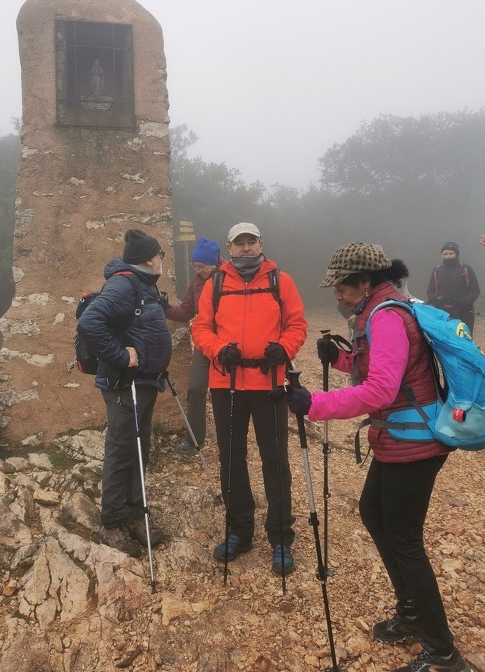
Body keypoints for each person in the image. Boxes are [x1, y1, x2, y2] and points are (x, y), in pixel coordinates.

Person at [285, 241, 470, 672]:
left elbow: (381, 391)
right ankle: (411, 613)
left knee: (405, 542)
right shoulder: (381, 310)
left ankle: (444, 653)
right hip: (399, 440)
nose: (337, 296)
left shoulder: (386, 316)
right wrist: (344, 358)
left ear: (365, 282)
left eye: (342, 288)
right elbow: (384, 370)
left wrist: (314, 403)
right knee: (373, 511)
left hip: (415, 442)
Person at [191, 223, 307, 574]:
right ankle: (239, 531)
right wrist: (217, 350)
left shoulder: (280, 281)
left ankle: (280, 537)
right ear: (229, 247)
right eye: (238, 243)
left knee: (275, 460)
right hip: (226, 383)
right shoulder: (215, 283)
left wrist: (284, 349)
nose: (245, 248)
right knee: (231, 459)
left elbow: (297, 325)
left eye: (250, 241)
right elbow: (200, 328)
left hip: (270, 382)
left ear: (261, 244)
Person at [78, 229, 172, 558]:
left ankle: (134, 512)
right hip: (124, 385)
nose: (163, 260)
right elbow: (90, 323)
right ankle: (112, 522)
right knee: (121, 450)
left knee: (138, 447)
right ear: (149, 259)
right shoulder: (124, 284)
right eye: (161, 255)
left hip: (145, 383)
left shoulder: (144, 283)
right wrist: (121, 356)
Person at [160, 237, 221, 455]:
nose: (198, 269)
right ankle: (195, 439)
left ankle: (231, 439)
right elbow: (186, 311)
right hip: (204, 344)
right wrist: (164, 307)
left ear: (214, 262)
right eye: (195, 265)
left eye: (202, 265)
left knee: (230, 394)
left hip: (228, 344)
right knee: (195, 388)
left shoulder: (230, 277)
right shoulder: (196, 282)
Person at [426, 242, 480, 335]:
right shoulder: (437, 270)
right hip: (442, 313)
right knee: (444, 339)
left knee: (464, 339)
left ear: (457, 254)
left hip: (464, 312)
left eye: (451, 253)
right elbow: (430, 291)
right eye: (445, 254)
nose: (448, 256)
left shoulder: (466, 268)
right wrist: (435, 300)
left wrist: (463, 301)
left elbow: (475, 290)